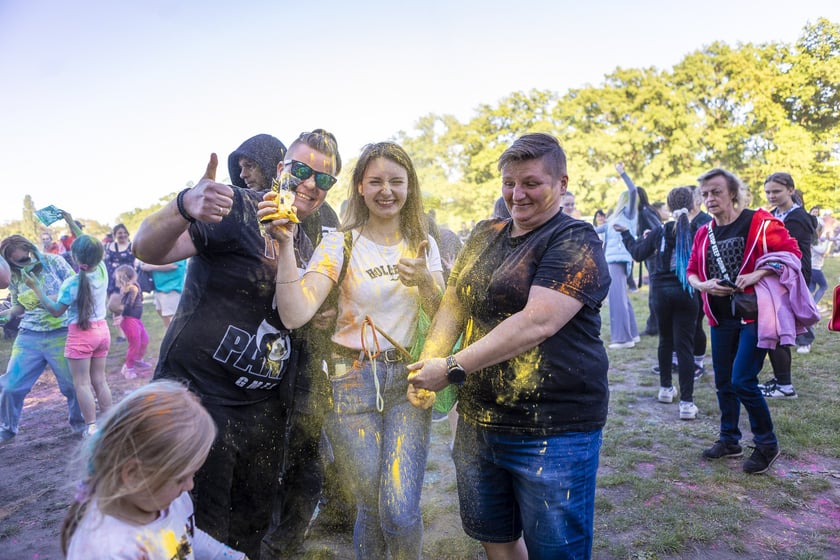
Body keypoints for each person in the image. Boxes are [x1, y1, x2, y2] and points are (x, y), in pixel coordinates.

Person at [132, 130, 340, 558]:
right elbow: (147, 249)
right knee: (191, 529)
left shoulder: (303, 239)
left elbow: (298, 312)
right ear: (282, 170)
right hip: (197, 398)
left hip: (262, 409)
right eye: (301, 171)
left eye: (324, 179)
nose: (310, 185)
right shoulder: (237, 208)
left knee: (252, 524)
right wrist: (183, 205)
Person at [408, 133, 611, 559]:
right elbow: (453, 306)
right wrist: (428, 365)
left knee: (556, 552)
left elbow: (536, 322)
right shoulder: (485, 234)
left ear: (562, 183)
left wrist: (449, 368)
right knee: (495, 539)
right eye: (509, 182)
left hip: (553, 429)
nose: (517, 194)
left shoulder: (576, 240)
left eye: (531, 183)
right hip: (479, 421)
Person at [262, 141, 445, 560]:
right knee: (369, 504)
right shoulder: (337, 245)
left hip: (407, 382)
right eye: (376, 180)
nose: (386, 190)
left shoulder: (423, 244)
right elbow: (295, 313)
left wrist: (427, 283)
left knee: (399, 511)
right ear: (360, 186)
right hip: (350, 384)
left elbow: (442, 318)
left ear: (409, 187)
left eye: (396, 182)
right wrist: (287, 245)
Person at [687, 168, 801, 474]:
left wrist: (757, 273)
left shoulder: (760, 222)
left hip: (755, 314)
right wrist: (704, 285)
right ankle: (730, 440)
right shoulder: (703, 232)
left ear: (733, 193)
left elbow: (792, 252)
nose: (710, 199)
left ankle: (767, 444)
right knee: (724, 381)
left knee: (742, 380)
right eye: (706, 194)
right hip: (720, 317)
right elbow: (692, 271)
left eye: (716, 192)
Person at [61, 380, 247, 560]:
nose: (189, 486)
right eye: (181, 478)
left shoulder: (169, 500)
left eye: (193, 474)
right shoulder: (106, 550)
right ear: (133, 475)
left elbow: (185, 536)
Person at [617, 187, 701, 420]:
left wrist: (625, 233)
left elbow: (637, 253)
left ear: (668, 206)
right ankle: (686, 403)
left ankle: (665, 389)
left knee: (665, 341)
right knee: (684, 347)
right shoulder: (697, 231)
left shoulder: (659, 231)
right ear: (693, 204)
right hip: (687, 291)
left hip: (660, 293)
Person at [25, 221, 112, 437]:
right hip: (102, 331)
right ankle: (111, 422)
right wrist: (71, 221)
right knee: (99, 380)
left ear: (74, 257)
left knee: (81, 383)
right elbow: (89, 246)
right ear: (98, 257)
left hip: (81, 335)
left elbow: (55, 310)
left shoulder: (71, 284)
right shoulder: (102, 271)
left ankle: (91, 426)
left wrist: (36, 288)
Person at [0, 231, 85, 445]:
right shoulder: (15, 275)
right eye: (20, 261)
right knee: (11, 385)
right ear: (10, 262)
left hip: (62, 332)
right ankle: (6, 429)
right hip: (29, 334)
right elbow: (21, 304)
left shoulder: (54, 262)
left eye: (29, 255)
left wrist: (44, 296)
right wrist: (10, 312)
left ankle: (81, 424)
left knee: (73, 386)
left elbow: (77, 286)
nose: (28, 261)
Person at [761, 173, 817, 397]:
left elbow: (785, 252)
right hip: (776, 275)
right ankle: (780, 380)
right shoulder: (773, 214)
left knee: (778, 329)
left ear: (791, 190)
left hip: (791, 277)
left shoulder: (797, 218)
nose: (771, 196)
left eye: (776, 191)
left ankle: (785, 386)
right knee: (774, 329)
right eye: (768, 192)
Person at [596, 163, 640, 349]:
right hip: (612, 260)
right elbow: (598, 229)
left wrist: (622, 173)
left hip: (618, 261)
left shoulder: (629, 215)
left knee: (616, 298)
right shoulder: (613, 219)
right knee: (622, 297)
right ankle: (633, 335)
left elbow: (633, 190)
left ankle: (623, 339)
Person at [616, 164, 663, 336]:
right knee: (654, 291)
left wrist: (651, 243)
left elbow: (657, 229)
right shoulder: (645, 211)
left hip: (654, 256)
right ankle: (654, 325)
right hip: (651, 255)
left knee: (655, 291)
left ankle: (654, 327)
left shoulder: (644, 211)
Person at [112, 264, 151, 378]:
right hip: (129, 319)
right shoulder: (130, 289)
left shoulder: (134, 286)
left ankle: (137, 360)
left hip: (136, 319)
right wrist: (122, 317)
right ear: (131, 276)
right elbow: (128, 305)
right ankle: (128, 368)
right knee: (135, 343)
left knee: (144, 340)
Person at [138, 259, 187, 330]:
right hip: (159, 287)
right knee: (164, 315)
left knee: (173, 318)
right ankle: (170, 337)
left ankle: (179, 339)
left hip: (171, 287)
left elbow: (174, 265)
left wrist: (151, 267)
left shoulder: (176, 248)